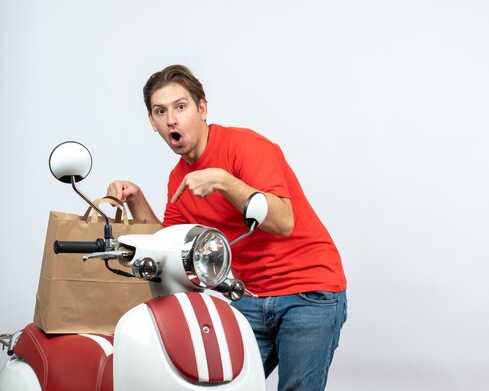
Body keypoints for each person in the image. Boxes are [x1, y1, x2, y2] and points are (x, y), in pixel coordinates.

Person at [107, 64, 347, 391]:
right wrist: (136, 198)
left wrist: (223, 180)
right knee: (223, 385)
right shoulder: (179, 179)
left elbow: (283, 221)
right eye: (160, 111)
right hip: (247, 297)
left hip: (307, 292)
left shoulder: (245, 146)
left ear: (202, 108)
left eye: (181, 107)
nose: (172, 120)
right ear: (152, 122)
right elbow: (171, 249)